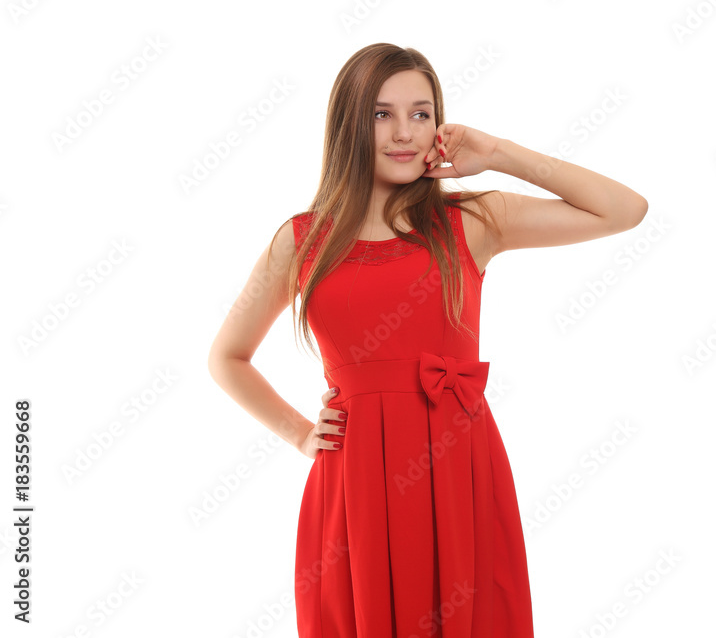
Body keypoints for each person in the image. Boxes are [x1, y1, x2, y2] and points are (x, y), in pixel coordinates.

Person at [207, 42, 647, 638]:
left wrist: (497, 154)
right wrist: (302, 435)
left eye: (421, 113)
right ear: (348, 124)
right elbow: (227, 358)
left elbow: (624, 209)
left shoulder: (473, 219)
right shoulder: (302, 239)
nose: (404, 132)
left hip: (459, 466)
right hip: (354, 479)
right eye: (381, 113)